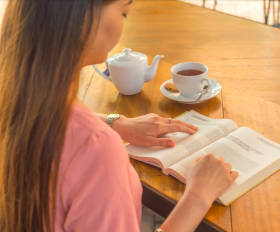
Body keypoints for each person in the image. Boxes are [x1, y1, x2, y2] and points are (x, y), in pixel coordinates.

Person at [0, 0, 238, 232]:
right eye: (124, 12)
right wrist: (197, 197)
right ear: (84, 16)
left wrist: (114, 121)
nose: (123, 22)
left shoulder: (15, 98)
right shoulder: (96, 150)